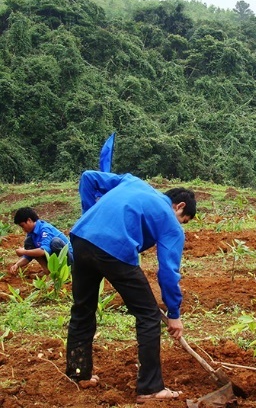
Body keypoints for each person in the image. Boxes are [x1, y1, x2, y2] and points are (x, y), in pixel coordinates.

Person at [65, 170, 196, 404]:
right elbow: (168, 272)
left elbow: (88, 177)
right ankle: (150, 388)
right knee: (148, 315)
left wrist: (89, 215)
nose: (181, 226)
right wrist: (174, 314)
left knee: (82, 308)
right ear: (179, 206)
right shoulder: (170, 222)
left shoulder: (133, 182)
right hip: (114, 249)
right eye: (183, 220)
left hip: (81, 238)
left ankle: (78, 373)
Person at [9, 207, 73, 276]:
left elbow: (43, 251)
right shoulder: (31, 234)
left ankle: (67, 272)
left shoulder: (45, 229)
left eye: (22, 226)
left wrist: (23, 251)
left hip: (69, 260)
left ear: (29, 220)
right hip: (54, 260)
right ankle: (47, 271)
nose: (23, 229)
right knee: (29, 243)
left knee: (55, 242)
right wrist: (17, 265)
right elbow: (28, 255)